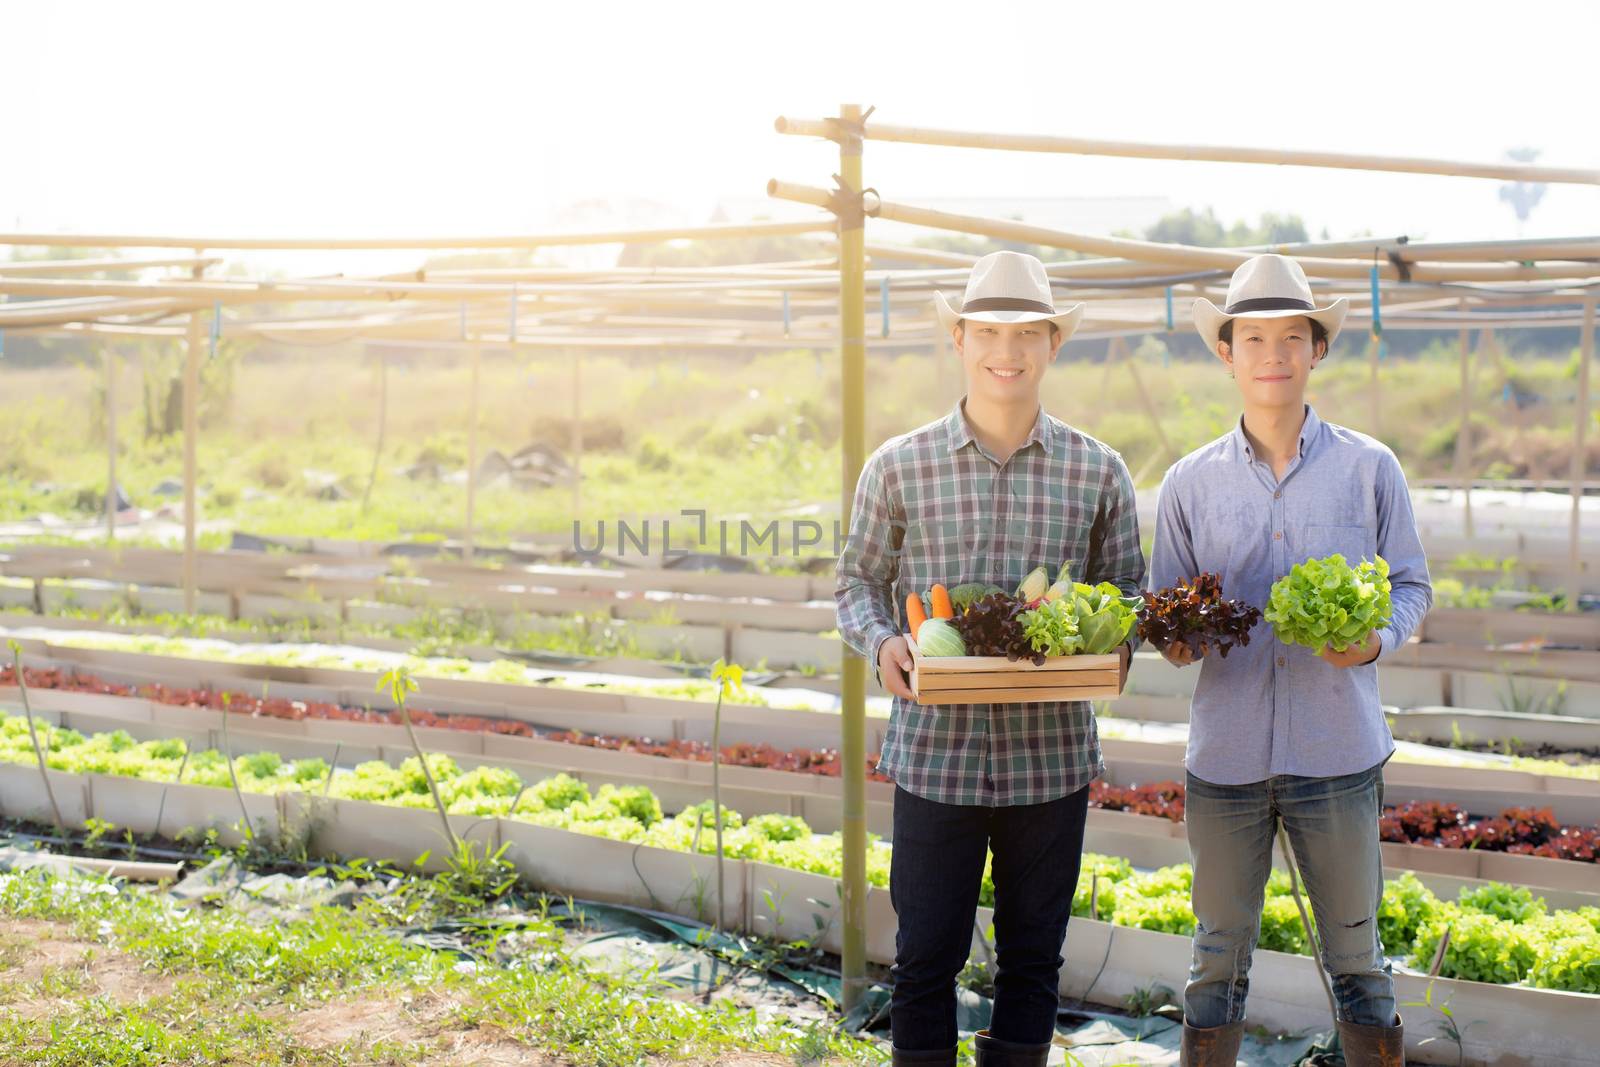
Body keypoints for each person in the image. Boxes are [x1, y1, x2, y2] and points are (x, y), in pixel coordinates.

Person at [836, 250, 1145, 1067]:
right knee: (924, 960)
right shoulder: (898, 466)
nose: (1006, 349)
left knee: (1034, 961)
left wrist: (1112, 648)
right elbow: (856, 583)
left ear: (1052, 345)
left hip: (1050, 761)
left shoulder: (1097, 470)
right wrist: (886, 641)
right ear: (960, 339)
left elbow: (1129, 597)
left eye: (1026, 333)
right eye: (988, 331)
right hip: (935, 756)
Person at [1150, 254, 1431, 1067]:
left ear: (1317, 350)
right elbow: (1162, 606)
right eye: (1253, 337)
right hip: (1227, 758)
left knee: (1359, 962)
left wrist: (1375, 640)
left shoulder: (1369, 467)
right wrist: (1169, 634)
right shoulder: (1187, 483)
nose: (1273, 353)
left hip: (1337, 753)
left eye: (1292, 337)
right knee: (1215, 960)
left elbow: (1409, 583)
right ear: (1227, 353)